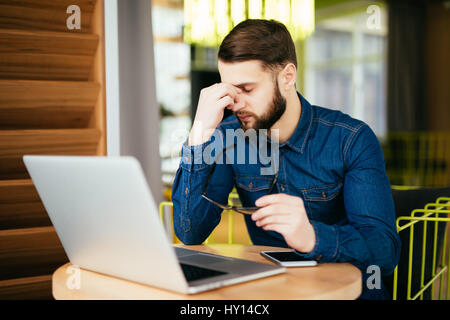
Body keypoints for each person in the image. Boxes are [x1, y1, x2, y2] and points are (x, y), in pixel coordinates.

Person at [171, 19, 400, 300]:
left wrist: (312, 236)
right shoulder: (229, 137)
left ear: (287, 77)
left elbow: (384, 253)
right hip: (274, 290)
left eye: (247, 89)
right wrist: (198, 135)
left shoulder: (351, 139)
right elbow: (190, 232)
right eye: (229, 90)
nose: (235, 103)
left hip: (348, 290)